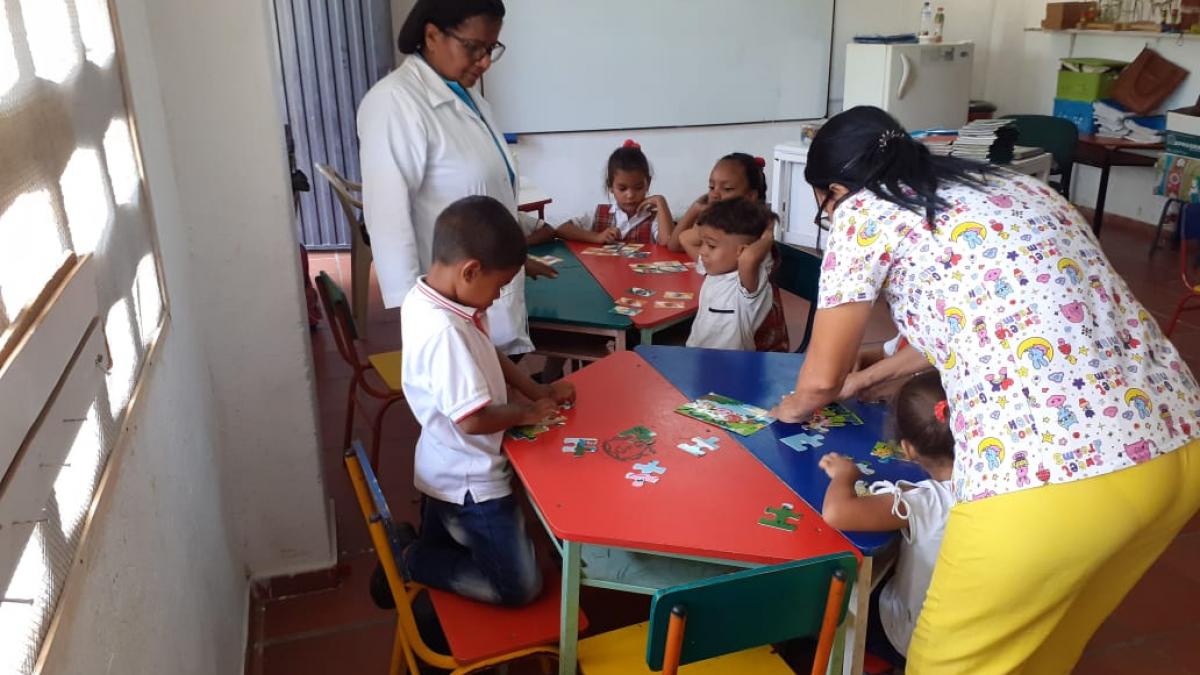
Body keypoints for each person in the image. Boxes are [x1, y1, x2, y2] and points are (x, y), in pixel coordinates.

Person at [770, 105, 1200, 673]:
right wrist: (872, 377)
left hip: (1048, 480)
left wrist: (791, 407)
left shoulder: (864, 212)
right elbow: (985, 319)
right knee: (1043, 650)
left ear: (836, 189)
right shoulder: (1009, 184)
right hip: (1177, 445)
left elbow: (819, 380)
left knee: (945, 662)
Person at [395, 196, 575, 605]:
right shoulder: (444, 332)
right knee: (520, 587)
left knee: (449, 533)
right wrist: (529, 412)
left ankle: (424, 547)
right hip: (472, 480)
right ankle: (408, 559)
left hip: (446, 463)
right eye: (498, 287)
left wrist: (537, 390)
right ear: (470, 270)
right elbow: (473, 420)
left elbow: (489, 350)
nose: (497, 297)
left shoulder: (436, 298)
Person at [357, 0, 554, 358]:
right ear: (432, 35)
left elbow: (485, 196)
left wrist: (515, 257)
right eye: (473, 47)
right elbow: (388, 222)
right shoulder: (393, 103)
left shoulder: (469, 97)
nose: (484, 62)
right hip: (446, 313)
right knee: (466, 406)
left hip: (482, 294)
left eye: (491, 48)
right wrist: (420, 324)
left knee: (495, 394)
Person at [818, 371, 955, 666]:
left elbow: (836, 513)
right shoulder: (998, 490)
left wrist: (845, 475)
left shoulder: (928, 501)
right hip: (972, 633)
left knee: (831, 607)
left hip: (913, 639)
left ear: (907, 449)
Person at [670, 152, 789, 351]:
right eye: (711, 187)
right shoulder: (720, 254)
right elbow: (681, 240)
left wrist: (768, 233)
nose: (715, 194)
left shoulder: (755, 252)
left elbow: (748, 259)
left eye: (726, 189)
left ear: (751, 197)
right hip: (702, 353)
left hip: (752, 354)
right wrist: (698, 210)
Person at [678, 199, 777, 351]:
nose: (703, 251)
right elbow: (685, 238)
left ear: (742, 251)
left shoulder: (748, 283)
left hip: (732, 364)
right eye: (702, 243)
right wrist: (711, 224)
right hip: (697, 354)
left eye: (711, 245)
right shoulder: (715, 268)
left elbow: (748, 258)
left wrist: (768, 235)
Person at [537, 140, 675, 246]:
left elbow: (667, 242)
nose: (630, 195)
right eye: (622, 189)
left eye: (638, 187)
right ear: (610, 186)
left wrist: (660, 201)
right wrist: (597, 237)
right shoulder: (600, 213)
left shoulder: (656, 218)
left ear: (648, 183)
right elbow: (562, 229)